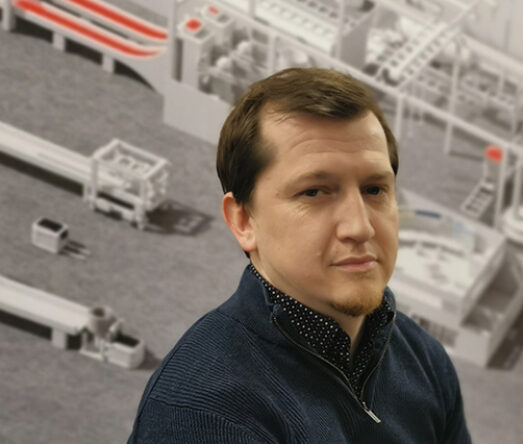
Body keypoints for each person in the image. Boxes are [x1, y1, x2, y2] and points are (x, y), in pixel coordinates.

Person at [127, 67, 471, 443]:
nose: (360, 227)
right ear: (244, 221)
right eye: (315, 192)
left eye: (374, 190)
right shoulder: (204, 413)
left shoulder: (424, 359)